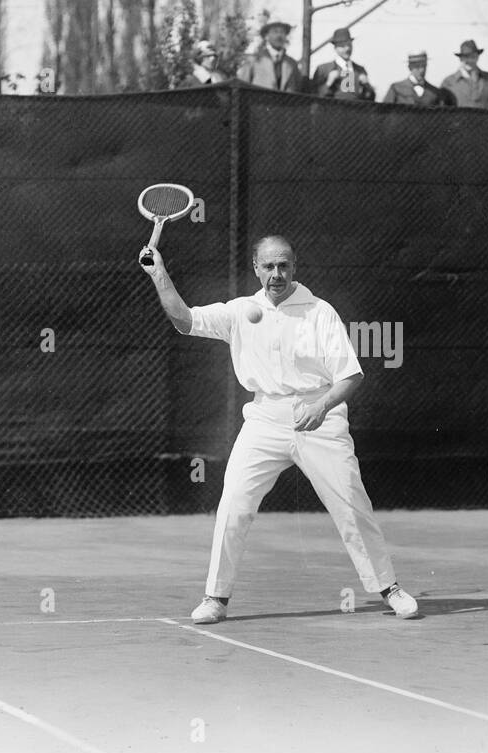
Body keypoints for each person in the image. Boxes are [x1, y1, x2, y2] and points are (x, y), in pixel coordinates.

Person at [140, 234, 420, 624]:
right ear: (256, 268)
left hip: (320, 417)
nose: (277, 274)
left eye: (284, 265)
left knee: (352, 504)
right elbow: (184, 320)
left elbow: (351, 375)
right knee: (234, 502)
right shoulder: (239, 311)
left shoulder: (320, 312)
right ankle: (215, 598)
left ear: (294, 267)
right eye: (269, 266)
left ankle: (389, 588)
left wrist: (322, 407)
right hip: (264, 420)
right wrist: (159, 274)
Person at [235, 20, 304, 92]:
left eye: (282, 32)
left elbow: (298, 90)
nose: (279, 36)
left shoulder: (292, 64)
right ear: (266, 36)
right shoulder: (253, 60)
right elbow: (241, 87)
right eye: (275, 32)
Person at [311, 27, 375, 102]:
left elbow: (370, 98)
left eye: (349, 45)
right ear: (335, 48)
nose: (347, 49)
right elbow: (313, 96)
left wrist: (367, 85)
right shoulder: (323, 69)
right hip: (331, 110)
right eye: (342, 46)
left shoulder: (360, 70)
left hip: (355, 111)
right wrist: (328, 83)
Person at [441, 39, 488, 109]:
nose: (469, 60)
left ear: (477, 57)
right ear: (461, 58)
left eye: (472, 57)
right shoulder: (449, 82)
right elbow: (441, 112)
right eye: (466, 57)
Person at [382, 50, 454, 106]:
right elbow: (384, 113)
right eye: (417, 66)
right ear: (410, 67)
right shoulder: (396, 89)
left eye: (423, 66)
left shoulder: (435, 92)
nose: (421, 70)